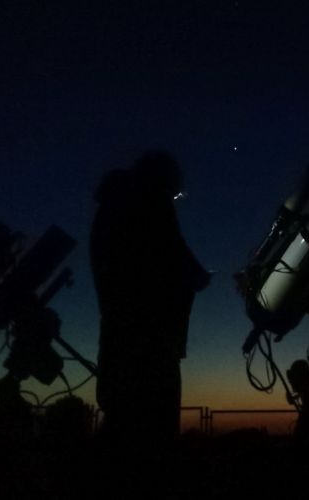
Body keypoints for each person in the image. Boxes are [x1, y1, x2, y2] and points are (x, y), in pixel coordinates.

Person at [90, 150, 210, 494]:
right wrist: (201, 278)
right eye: (174, 191)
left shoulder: (110, 209)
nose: (174, 197)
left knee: (120, 434)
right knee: (152, 445)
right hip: (153, 347)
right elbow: (180, 261)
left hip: (117, 343)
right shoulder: (152, 205)